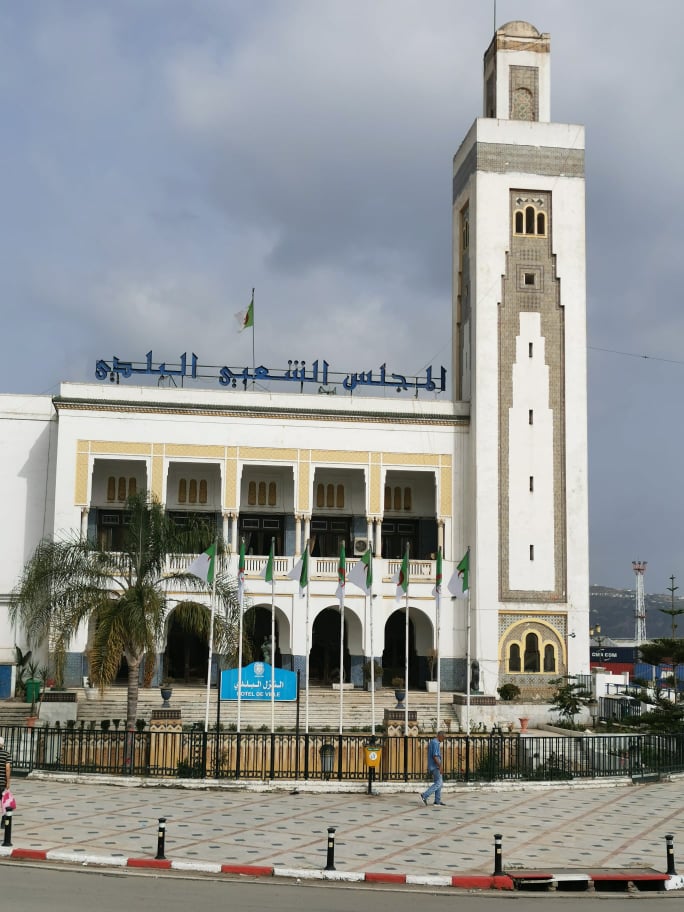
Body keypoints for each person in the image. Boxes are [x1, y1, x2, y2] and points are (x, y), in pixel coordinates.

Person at [420, 730, 446, 807]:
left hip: (435, 766)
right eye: (443, 738)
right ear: (440, 736)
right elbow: (435, 756)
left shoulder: (434, 742)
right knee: (439, 783)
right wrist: (440, 766)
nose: (443, 740)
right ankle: (425, 795)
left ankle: (437, 801)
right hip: (435, 766)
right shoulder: (435, 743)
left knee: (438, 782)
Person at [0, 736, 12, 820]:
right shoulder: (6, 754)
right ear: (2, 744)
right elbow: (7, 769)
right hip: (1, 782)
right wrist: (8, 782)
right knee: (3, 801)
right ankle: (3, 820)